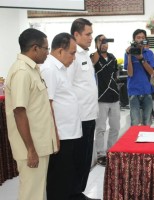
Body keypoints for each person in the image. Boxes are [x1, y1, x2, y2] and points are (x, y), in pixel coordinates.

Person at [5, 28, 58, 200]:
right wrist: (30, 150)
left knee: (38, 192)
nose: (47, 53)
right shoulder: (22, 72)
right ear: (35, 48)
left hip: (39, 144)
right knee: (31, 195)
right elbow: (19, 112)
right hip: (31, 147)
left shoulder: (32, 69)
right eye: (46, 49)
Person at [40, 33, 81, 200]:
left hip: (69, 132)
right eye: (72, 53)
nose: (74, 57)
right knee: (58, 180)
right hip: (61, 135)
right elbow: (47, 105)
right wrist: (54, 135)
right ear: (59, 51)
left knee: (66, 178)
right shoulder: (49, 70)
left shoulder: (60, 68)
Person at [68, 18, 99, 200]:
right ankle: (75, 194)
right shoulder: (73, 57)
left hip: (89, 114)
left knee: (86, 158)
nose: (90, 37)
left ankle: (79, 192)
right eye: (88, 34)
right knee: (79, 158)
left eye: (91, 34)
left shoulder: (85, 54)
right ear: (76, 34)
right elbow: (68, 87)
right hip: (79, 117)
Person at [93, 34, 120, 167]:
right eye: (101, 41)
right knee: (101, 128)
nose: (104, 44)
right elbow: (92, 64)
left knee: (115, 127)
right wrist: (97, 49)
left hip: (114, 96)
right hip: (100, 98)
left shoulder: (113, 57)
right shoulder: (94, 57)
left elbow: (115, 74)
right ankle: (100, 154)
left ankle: (112, 151)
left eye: (106, 41)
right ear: (96, 43)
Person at [124, 29, 154, 125]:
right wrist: (129, 57)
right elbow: (130, 73)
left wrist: (141, 58)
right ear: (134, 39)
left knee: (147, 121)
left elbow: (152, 72)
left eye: (143, 37)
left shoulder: (149, 53)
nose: (141, 39)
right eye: (138, 37)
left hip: (146, 90)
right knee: (135, 121)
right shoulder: (128, 53)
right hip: (133, 90)